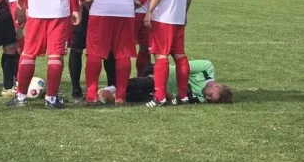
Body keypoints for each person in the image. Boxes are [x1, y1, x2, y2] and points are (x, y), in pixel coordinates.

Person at [98, 60, 233, 104]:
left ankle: (115, 97)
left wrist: (169, 95)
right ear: (217, 86)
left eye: (210, 100)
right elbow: (182, 67)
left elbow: (177, 99)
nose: (207, 97)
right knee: (152, 82)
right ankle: (111, 88)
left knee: (149, 98)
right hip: (160, 71)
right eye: (210, 95)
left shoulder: (202, 98)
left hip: (165, 90)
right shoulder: (206, 67)